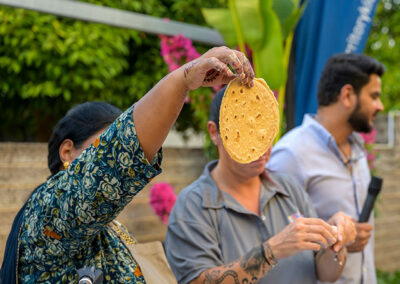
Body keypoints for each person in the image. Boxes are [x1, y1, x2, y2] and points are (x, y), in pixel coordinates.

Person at [0, 46, 255, 283]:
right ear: (67, 151)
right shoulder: (47, 215)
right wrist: (184, 79)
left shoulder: (108, 229)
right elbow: (120, 153)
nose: (111, 152)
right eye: (103, 144)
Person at [165, 86, 357, 284]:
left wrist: (337, 244)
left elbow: (325, 273)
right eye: (245, 133)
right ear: (215, 133)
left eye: (265, 132)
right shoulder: (193, 205)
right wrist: (272, 250)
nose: (261, 148)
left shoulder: (289, 188)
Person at [267, 53, 385, 284]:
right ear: (347, 95)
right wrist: (337, 242)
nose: (380, 105)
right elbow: (273, 244)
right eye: (374, 96)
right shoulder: (291, 155)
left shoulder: (359, 151)